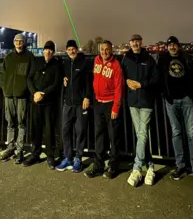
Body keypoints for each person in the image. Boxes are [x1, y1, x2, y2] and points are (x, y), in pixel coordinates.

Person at [158, 36, 193, 187]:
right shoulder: (163, 60)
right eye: (169, 45)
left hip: (187, 99)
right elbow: (159, 77)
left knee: (192, 134)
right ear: (167, 47)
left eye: (174, 45)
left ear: (178, 46)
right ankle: (180, 165)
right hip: (171, 100)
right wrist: (164, 94)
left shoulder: (187, 59)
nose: (172, 47)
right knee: (176, 132)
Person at [121, 34, 159, 187]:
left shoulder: (149, 59)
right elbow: (120, 75)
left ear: (141, 43)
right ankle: (150, 165)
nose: (135, 43)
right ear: (130, 43)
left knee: (142, 134)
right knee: (141, 135)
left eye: (137, 41)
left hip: (145, 102)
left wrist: (141, 85)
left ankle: (137, 168)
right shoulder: (126, 59)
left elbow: (156, 78)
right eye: (133, 41)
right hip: (132, 102)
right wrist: (126, 81)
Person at [84, 40, 124, 179]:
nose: (104, 52)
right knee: (99, 136)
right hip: (98, 104)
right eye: (102, 50)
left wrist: (115, 108)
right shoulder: (96, 60)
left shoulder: (116, 65)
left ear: (111, 50)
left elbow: (119, 88)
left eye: (107, 49)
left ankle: (113, 166)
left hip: (110, 104)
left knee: (113, 137)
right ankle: (98, 166)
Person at [55, 39, 92, 173]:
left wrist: (87, 97)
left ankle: (78, 158)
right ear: (66, 50)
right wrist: (62, 79)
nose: (71, 51)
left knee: (80, 131)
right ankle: (68, 157)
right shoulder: (65, 63)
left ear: (77, 49)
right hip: (68, 103)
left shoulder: (84, 63)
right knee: (65, 130)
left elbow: (89, 81)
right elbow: (61, 76)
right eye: (69, 49)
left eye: (73, 48)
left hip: (80, 103)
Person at [23, 40, 62, 169]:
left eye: (50, 49)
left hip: (49, 103)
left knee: (49, 129)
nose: (48, 51)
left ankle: (50, 155)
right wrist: (35, 93)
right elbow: (29, 78)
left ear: (53, 52)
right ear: (43, 50)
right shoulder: (37, 62)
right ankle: (35, 153)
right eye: (46, 49)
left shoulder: (57, 65)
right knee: (35, 128)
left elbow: (56, 84)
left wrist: (43, 94)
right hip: (36, 101)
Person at [0, 34, 35, 164]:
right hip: (9, 95)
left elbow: (31, 74)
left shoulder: (29, 57)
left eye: (21, 41)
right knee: (10, 123)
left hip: (22, 96)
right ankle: (10, 147)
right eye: (16, 41)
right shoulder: (8, 57)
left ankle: (19, 150)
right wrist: (4, 88)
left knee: (21, 123)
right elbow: (2, 74)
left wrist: (25, 89)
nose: (19, 43)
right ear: (14, 42)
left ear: (24, 43)